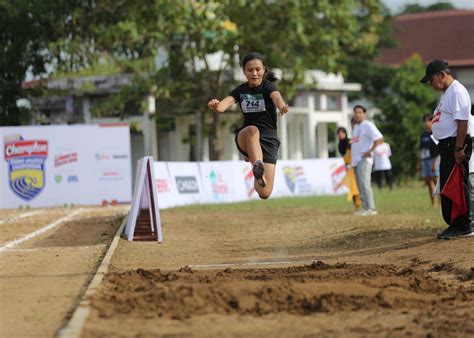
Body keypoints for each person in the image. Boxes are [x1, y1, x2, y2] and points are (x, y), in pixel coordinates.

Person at [208, 52, 289, 199]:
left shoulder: (268, 87)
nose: (254, 73)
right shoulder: (241, 90)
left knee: (264, 193)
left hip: (269, 139)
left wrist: (282, 106)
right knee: (253, 130)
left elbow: (276, 97)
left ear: (264, 70)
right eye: (250, 70)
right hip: (246, 137)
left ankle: (258, 176)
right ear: (244, 72)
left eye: (258, 69)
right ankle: (257, 164)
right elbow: (222, 106)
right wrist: (215, 105)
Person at [420, 60, 472, 239]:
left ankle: (464, 225)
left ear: (442, 75)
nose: (431, 85)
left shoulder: (457, 91)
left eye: (431, 80)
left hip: (455, 144)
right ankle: (454, 224)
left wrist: (459, 148)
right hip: (447, 145)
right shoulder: (447, 93)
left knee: (458, 184)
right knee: (448, 186)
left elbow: (462, 123)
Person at [351, 105, 384, 216]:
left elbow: (379, 138)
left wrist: (370, 151)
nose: (357, 114)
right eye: (355, 112)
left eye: (360, 112)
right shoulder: (356, 127)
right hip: (356, 160)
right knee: (360, 184)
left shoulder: (368, 125)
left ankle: (371, 208)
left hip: (365, 159)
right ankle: (365, 208)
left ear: (364, 114)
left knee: (365, 183)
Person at [337, 127, 361, 209]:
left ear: (345, 133)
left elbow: (354, 152)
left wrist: (353, 163)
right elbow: (344, 155)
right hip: (347, 166)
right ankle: (356, 203)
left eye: (342, 133)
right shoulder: (340, 145)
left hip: (353, 165)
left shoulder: (349, 142)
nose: (340, 135)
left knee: (356, 183)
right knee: (352, 185)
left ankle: (360, 201)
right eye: (339, 133)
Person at [419, 114, 440, 207]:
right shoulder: (423, 135)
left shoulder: (436, 133)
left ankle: (441, 203)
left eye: (427, 121)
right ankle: (433, 204)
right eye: (424, 121)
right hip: (425, 160)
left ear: (432, 121)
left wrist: (435, 163)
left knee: (436, 180)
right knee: (428, 181)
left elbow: (439, 149)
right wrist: (419, 162)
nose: (425, 123)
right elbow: (421, 149)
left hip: (434, 159)